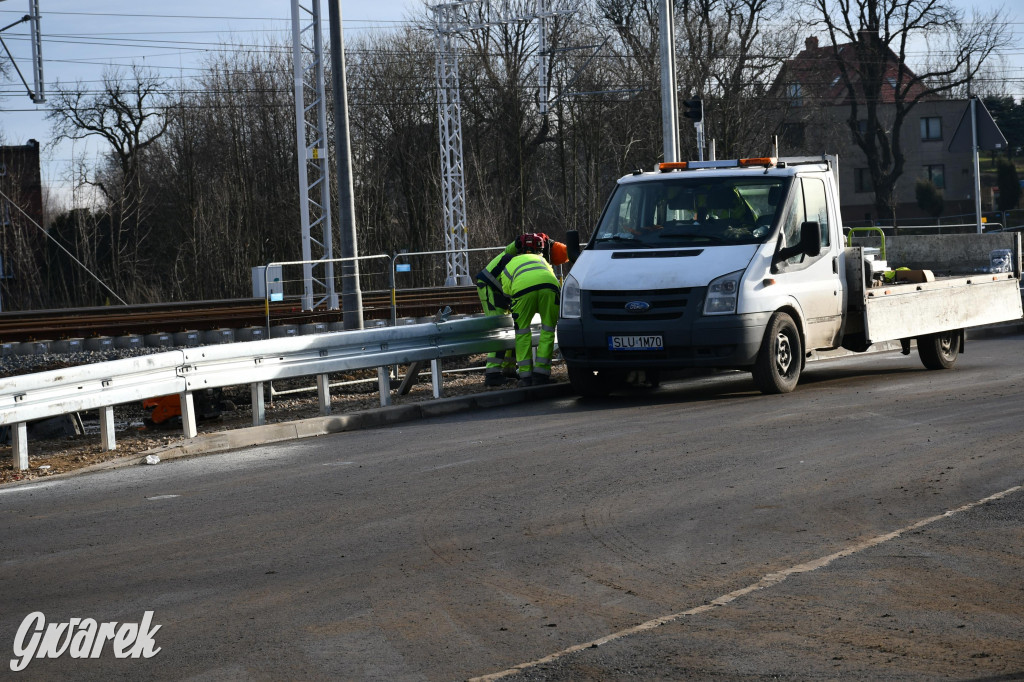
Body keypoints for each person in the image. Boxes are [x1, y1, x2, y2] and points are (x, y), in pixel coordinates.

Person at [475, 233, 548, 386]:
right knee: (500, 331)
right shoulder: (511, 255)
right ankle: (492, 373)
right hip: (490, 288)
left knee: (513, 329)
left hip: (502, 290)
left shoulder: (518, 255)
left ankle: (508, 368)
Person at [499, 239, 568, 386]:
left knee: (522, 332)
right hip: (550, 289)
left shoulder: (509, 263)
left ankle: (526, 375)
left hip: (522, 292)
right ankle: (541, 373)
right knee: (548, 330)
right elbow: (551, 278)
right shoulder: (542, 260)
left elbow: (506, 293)